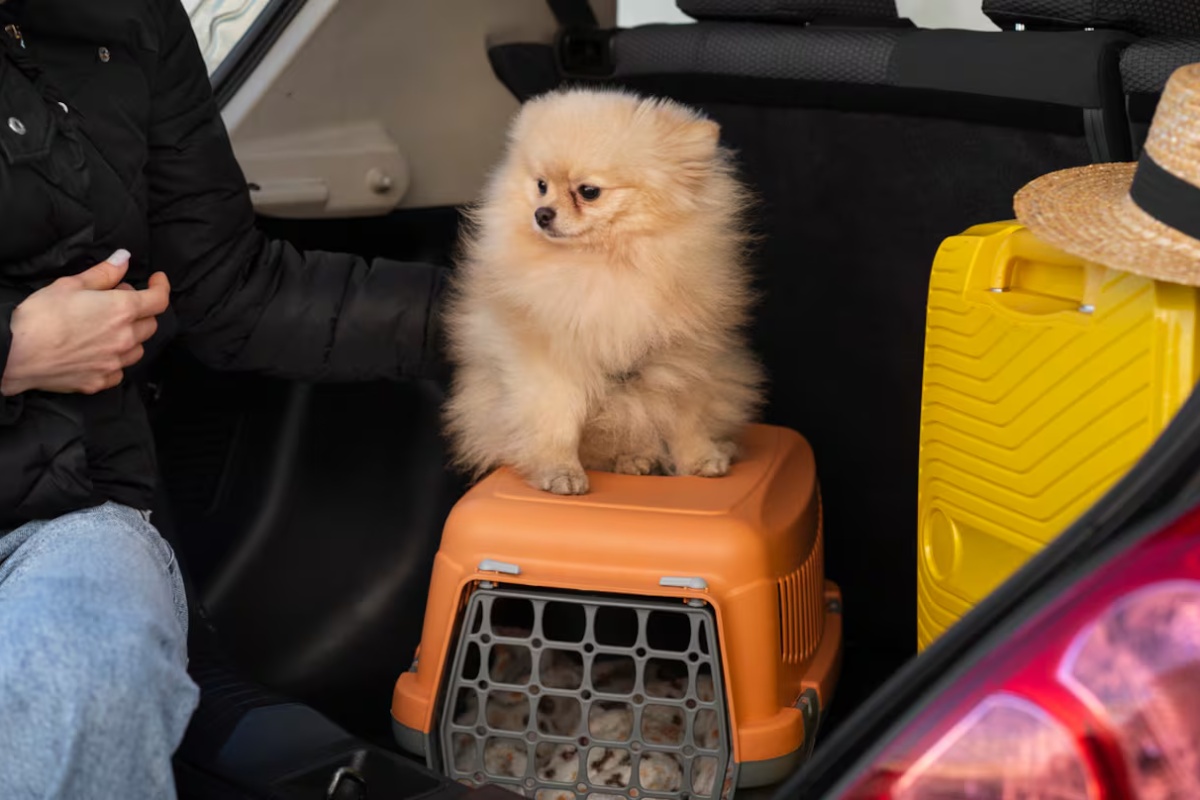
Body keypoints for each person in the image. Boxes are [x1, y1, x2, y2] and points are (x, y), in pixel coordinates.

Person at [0, 1, 447, 798]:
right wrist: (15, 350)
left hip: (63, 514)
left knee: (84, 668)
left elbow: (230, 290)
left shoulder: (130, 17)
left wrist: (512, 318)